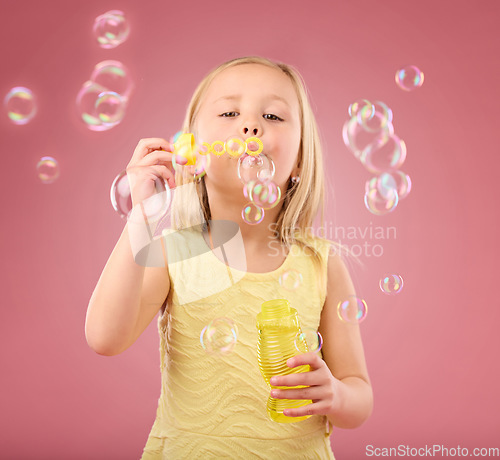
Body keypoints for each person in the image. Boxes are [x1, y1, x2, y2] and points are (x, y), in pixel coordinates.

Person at [85, 56, 373, 459]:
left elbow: (359, 394)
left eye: (272, 115)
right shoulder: (177, 251)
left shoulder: (320, 264)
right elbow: (104, 337)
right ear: (193, 152)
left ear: (301, 159)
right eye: (229, 112)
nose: (251, 126)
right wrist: (142, 217)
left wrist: (337, 395)